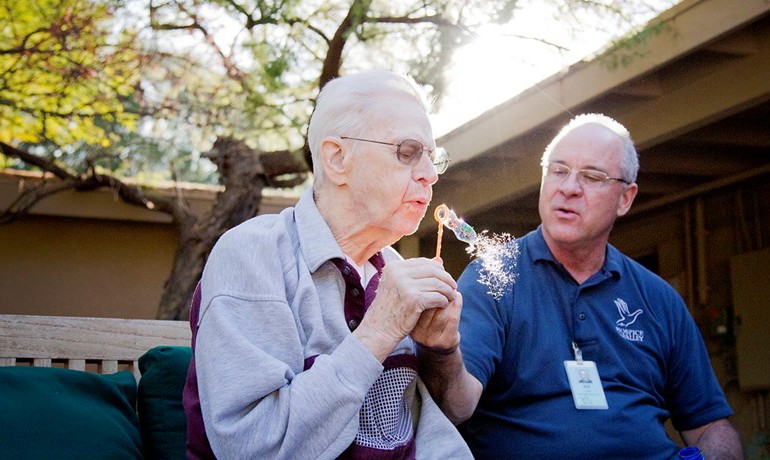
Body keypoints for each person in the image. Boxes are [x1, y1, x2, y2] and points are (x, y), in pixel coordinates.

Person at [182, 70, 472, 459]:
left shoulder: (394, 267)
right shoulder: (254, 254)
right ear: (337, 159)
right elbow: (255, 448)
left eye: (434, 158)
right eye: (407, 152)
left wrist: (442, 350)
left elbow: (452, 416)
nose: (430, 174)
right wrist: (381, 328)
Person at [419, 113, 743, 459]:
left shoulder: (658, 298)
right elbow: (456, 406)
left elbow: (709, 425)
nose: (568, 187)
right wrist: (444, 351)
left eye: (591, 176)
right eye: (558, 170)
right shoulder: (493, 276)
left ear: (625, 198)